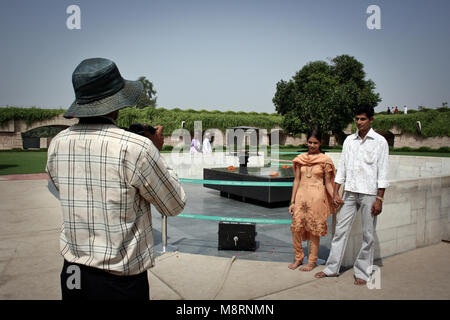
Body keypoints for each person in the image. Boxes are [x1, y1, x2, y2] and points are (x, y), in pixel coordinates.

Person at [46, 57, 186, 300]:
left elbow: (62, 189)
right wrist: (154, 151)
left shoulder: (58, 144)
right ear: (116, 102)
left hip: (72, 273)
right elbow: (174, 204)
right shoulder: (137, 148)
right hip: (120, 282)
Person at [315, 104, 389, 285]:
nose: (359, 122)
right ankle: (332, 268)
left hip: (369, 194)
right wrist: (335, 192)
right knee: (340, 231)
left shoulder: (380, 142)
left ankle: (362, 273)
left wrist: (379, 199)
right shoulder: (349, 141)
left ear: (371, 119)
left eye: (363, 119)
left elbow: (383, 172)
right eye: (356, 119)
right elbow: (343, 169)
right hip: (349, 193)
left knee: (368, 234)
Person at [288, 128, 336, 272]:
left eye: (315, 143)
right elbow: (296, 180)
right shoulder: (300, 159)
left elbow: (328, 182)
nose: (312, 145)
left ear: (320, 143)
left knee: (314, 229)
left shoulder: (325, 160)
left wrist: (335, 196)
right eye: (309, 142)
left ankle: (312, 261)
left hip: (316, 198)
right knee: (296, 229)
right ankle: (298, 258)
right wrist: (292, 201)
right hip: (301, 197)